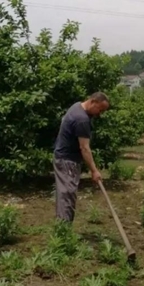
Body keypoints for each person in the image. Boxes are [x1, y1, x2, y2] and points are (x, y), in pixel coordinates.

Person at [53, 92, 110, 222]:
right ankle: (64, 231)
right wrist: (94, 171)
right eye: (100, 109)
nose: (99, 113)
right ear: (93, 102)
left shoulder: (77, 106)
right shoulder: (81, 119)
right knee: (67, 194)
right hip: (67, 161)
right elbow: (84, 148)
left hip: (63, 157)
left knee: (65, 193)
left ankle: (63, 227)